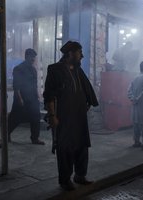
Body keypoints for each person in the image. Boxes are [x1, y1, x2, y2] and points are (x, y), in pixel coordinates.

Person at [43, 41, 98, 191]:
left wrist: (88, 103)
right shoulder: (55, 69)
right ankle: (65, 179)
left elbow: (86, 89)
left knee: (81, 145)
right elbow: (49, 95)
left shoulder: (78, 70)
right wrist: (52, 115)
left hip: (79, 116)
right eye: (80, 52)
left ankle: (80, 175)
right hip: (64, 117)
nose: (82, 56)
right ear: (70, 53)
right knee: (65, 148)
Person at [8, 48, 45, 145]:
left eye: (34, 57)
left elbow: (34, 84)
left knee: (36, 117)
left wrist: (38, 96)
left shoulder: (33, 69)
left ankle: (35, 138)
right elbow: (16, 86)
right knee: (15, 118)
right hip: (22, 98)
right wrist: (20, 98)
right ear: (26, 57)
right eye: (31, 57)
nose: (33, 59)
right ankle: (6, 134)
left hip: (32, 98)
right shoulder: (19, 68)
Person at [127, 60, 143, 150]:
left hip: (135, 106)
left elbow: (129, 90)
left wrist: (133, 99)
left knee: (136, 125)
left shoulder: (135, 78)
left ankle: (136, 142)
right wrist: (137, 99)